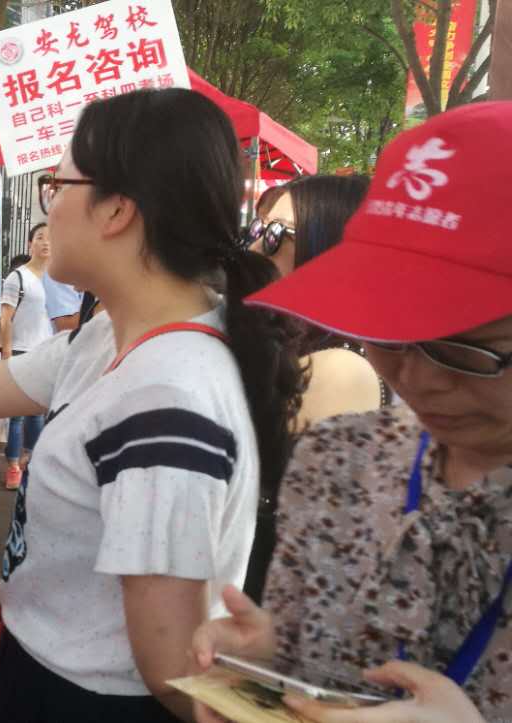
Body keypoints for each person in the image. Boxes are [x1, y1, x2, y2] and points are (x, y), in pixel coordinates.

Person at [0, 88, 305, 721]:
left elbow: (174, 668)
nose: (49, 208)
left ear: (117, 209)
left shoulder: (167, 398)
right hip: (41, 669)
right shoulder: (111, 335)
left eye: (57, 185)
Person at [192, 101, 512, 723]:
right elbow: (311, 645)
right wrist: (270, 664)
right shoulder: (339, 457)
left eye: (466, 349)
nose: (416, 378)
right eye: (387, 331)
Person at [240, 173, 382, 601]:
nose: (253, 247)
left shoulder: (340, 369)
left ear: (330, 247)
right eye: (258, 229)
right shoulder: (291, 352)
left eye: (275, 235)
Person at [0, 223, 54, 489]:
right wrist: (7, 354)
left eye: (50, 238)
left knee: (37, 413)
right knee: (18, 413)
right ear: (30, 243)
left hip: (47, 351)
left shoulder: (58, 278)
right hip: (21, 350)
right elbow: (6, 318)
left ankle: (32, 461)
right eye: (40, 237)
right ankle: (12, 466)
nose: (46, 242)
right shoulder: (17, 277)